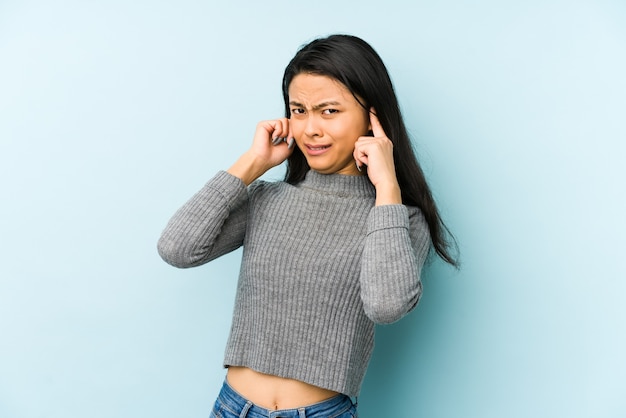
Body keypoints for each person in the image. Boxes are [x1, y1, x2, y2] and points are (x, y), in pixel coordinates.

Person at [158, 34, 458, 418]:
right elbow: (177, 248)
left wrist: (387, 187)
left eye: (329, 111)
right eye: (299, 110)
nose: (310, 128)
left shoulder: (397, 218)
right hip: (232, 407)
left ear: (373, 117)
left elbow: (386, 306)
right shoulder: (268, 199)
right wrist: (252, 163)